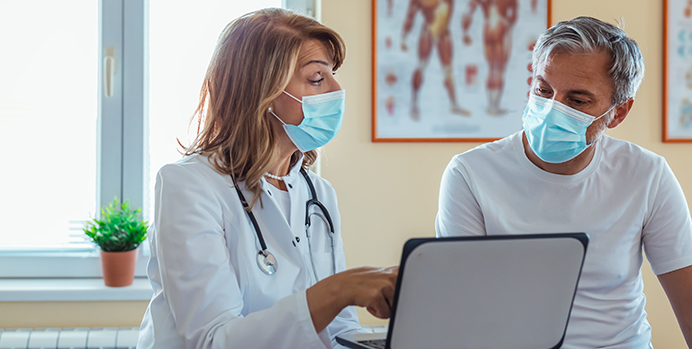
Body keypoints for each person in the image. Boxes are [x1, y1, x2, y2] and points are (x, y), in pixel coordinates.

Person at [435, 17, 692, 348]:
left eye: (577, 100)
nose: (552, 109)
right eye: (543, 90)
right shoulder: (471, 173)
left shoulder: (645, 174)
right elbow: (460, 307)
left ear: (618, 112)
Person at [137, 9, 398, 349]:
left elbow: (339, 330)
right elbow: (214, 340)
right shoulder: (188, 186)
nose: (336, 90)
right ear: (261, 90)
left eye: (332, 75)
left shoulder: (317, 192)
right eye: (317, 79)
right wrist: (338, 290)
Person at [401, 0, 470, 120]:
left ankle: (454, 104)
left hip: (444, 32)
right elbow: (410, 16)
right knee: (421, 66)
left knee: (448, 70)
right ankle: (414, 104)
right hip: (428, 29)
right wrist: (404, 38)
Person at [461, 0, 518, 115]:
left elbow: (468, 12)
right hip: (500, 25)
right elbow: (513, 15)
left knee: (491, 69)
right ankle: (495, 106)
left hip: (487, 27)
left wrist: (465, 32)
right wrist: (508, 25)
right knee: (499, 69)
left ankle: (490, 105)